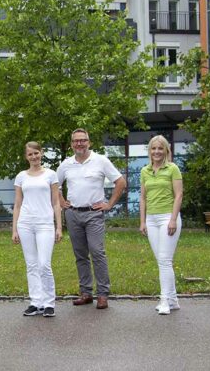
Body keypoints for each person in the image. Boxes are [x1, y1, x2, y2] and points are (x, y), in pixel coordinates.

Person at [57, 128, 126, 310]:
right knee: (80, 255)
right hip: (73, 214)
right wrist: (61, 201)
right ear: (72, 144)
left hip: (94, 213)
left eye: (83, 140)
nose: (79, 143)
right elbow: (53, 185)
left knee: (97, 252)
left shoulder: (100, 161)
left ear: (89, 142)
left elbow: (120, 182)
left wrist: (109, 204)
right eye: (76, 141)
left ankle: (102, 294)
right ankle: (86, 293)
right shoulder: (66, 164)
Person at [12, 142, 63, 318]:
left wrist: (59, 227)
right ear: (26, 157)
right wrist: (14, 230)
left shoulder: (51, 175)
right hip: (25, 223)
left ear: (41, 153)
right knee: (31, 265)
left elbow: (56, 202)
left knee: (44, 264)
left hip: (45, 224)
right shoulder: (21, 176)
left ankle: (49, 303)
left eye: (36, 153)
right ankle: (36, 302)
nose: (34, 157)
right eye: (30, 154)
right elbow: (17, 204)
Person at [139, 135, 183, 315]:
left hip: (167, 218)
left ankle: (165, 300)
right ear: (149, 151)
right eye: (153, 148)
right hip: (151, 219)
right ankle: (173, 299)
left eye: (160, 148)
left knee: (165, 260)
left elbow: (179, 195)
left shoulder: (173, 169)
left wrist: (173, 219)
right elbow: (142, 198)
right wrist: (142, 221)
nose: (157, 152)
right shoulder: (145, 171)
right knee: (162, 261)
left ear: (166, 150)